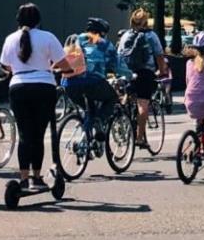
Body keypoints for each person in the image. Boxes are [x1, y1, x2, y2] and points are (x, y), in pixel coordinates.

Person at [0, 3, 65, 195]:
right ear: (38, 20)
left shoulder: (10, 39)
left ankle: (23, 178)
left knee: (24, 134)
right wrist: (64, 70)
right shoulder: (48, 37)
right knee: (38, 134)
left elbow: (6, 66)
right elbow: (62, 62)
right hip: (44, 86)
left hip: (18, 87)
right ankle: (37, 177)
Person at [63, 17, 129, 133]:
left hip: (68, 83)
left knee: (90, 111)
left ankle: (86, 141)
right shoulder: (104, 44)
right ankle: (99, 120)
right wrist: (130, 75)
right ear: (102, 32)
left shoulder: (75, 39)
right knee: (112, 97)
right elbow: (117, 65)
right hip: (92, 82)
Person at [118, 8, 166, 141]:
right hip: (145, 72)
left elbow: (119, 55)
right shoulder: (151, 35)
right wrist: (161, 71)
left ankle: (121, 118)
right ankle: (139, 137)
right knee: (142, 103)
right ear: (146, 21)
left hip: (128, 72)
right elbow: (159, 56)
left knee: (127, 94)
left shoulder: (125, 35)